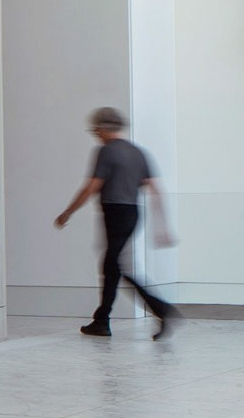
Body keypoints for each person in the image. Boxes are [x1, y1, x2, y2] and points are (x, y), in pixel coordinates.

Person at [54, 106, 180, 339]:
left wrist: (68, 212)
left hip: (115, 213)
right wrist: (162, 226)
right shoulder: (137, 152)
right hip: (132, 214)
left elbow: (92, 186)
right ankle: (102, 321)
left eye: (96, 131)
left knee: (114, 266)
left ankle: (161, 310)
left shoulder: (106, 151)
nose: (96, 135)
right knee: (112, 266)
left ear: (103, 129)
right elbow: (154, 188)